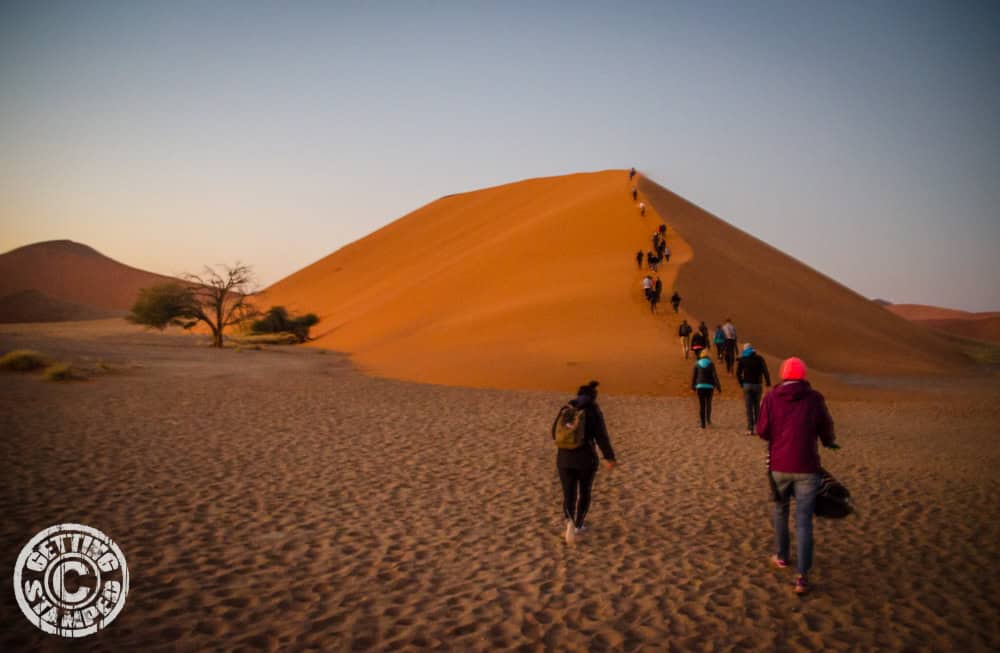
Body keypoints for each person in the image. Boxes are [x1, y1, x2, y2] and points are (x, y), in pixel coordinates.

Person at [755, 357, 836, 595]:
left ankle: (781, 556)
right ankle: (802, 576)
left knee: (780, 511)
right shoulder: (814, 399)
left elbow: (762, 430)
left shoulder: (771, 397)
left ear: (783, 374)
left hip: (779, 466)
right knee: (803, 521)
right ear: (803, 375)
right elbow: (826, 427)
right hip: (807, 467)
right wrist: (829, 441)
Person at [552, 381, 616, 545]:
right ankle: (579, 525)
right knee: (584, 491)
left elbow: (554, 432)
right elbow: (601, 436)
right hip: (586, 459)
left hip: (563, 459)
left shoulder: (567, 408)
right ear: (593, 397)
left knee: (569, 492)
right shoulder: (593, 411)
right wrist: (609, 457)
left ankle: (569, 521)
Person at [736, 342, 771, 434]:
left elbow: (738, 373)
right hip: (757, 385)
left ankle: (750, 428)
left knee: (748, 407)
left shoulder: (743, 359)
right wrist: (768, 383)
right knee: (756, 407)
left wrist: (741, 383)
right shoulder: (759, 359)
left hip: (747, 385)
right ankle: (758, 428)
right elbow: (765, 371)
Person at [691, 350, 722, 428]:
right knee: (708, 404)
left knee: (702, 405)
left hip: (700, 386)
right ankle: (708, 420)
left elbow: (694, 376)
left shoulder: (697, 363)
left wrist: (692, 387)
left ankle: (703, 423)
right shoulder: (711, 364)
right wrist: (718, 387)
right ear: (708, 356)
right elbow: (715, 376)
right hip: (709, 386)